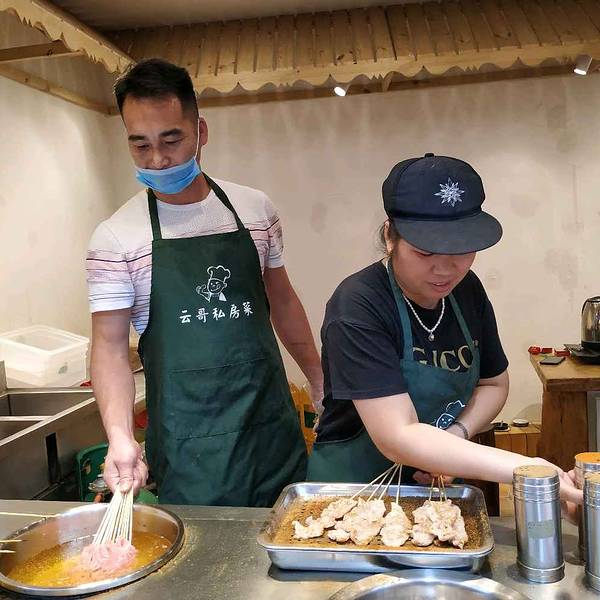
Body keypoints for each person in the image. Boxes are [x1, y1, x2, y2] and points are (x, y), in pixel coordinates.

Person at [86, 58, 322, 506]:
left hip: (269, 430)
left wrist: (318, 377)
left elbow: (283, 301)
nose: (158, 159)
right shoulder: (116, 238)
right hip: (188, 447)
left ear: (201, 131)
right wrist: (119, 437)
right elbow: (110, 347)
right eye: (141, 145)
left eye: (171, 139)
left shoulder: (255, 210)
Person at [307, 153, 581, 514]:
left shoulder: (467, 290)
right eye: (424, 252)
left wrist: (455, 438)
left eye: (462, 250)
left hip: (436, 492)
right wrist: (528, 469)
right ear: (390, 236)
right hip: (352, 494)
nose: (445, 269)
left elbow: (493, 384)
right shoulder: (358, 305)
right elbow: (398, 436)